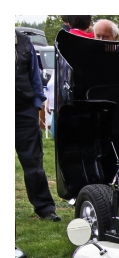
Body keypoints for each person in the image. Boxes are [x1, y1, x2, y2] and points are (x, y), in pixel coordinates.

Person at [15, 29, 60, 223]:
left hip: (24, 110)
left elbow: (35, 73)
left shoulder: (24, 42)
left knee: (33, 162)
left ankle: (45, 208)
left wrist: (36, 104)